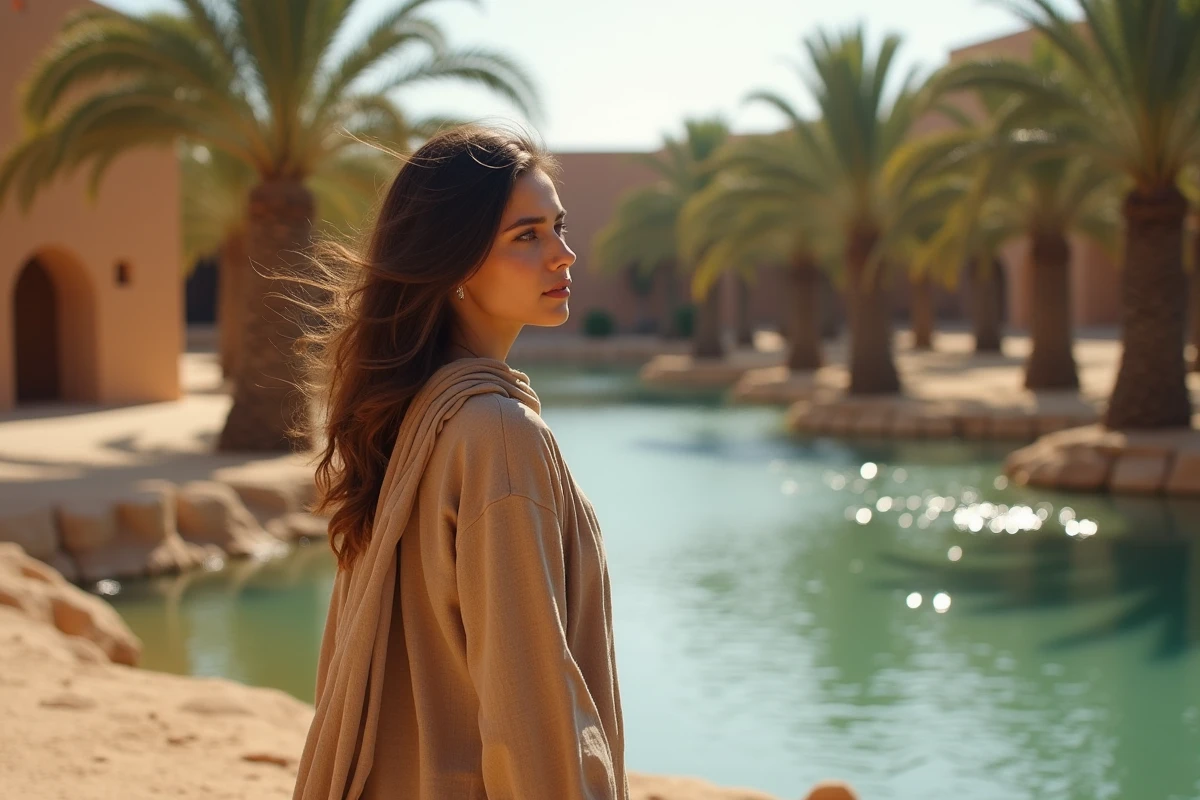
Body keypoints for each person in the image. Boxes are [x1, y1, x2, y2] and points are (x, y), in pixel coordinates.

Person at [291, 124, 627, 800]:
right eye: (526, 236)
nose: (563, 255)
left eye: (558, 228)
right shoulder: (499, 436)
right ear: (454, 263)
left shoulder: (411, 416)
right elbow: (530, 708)